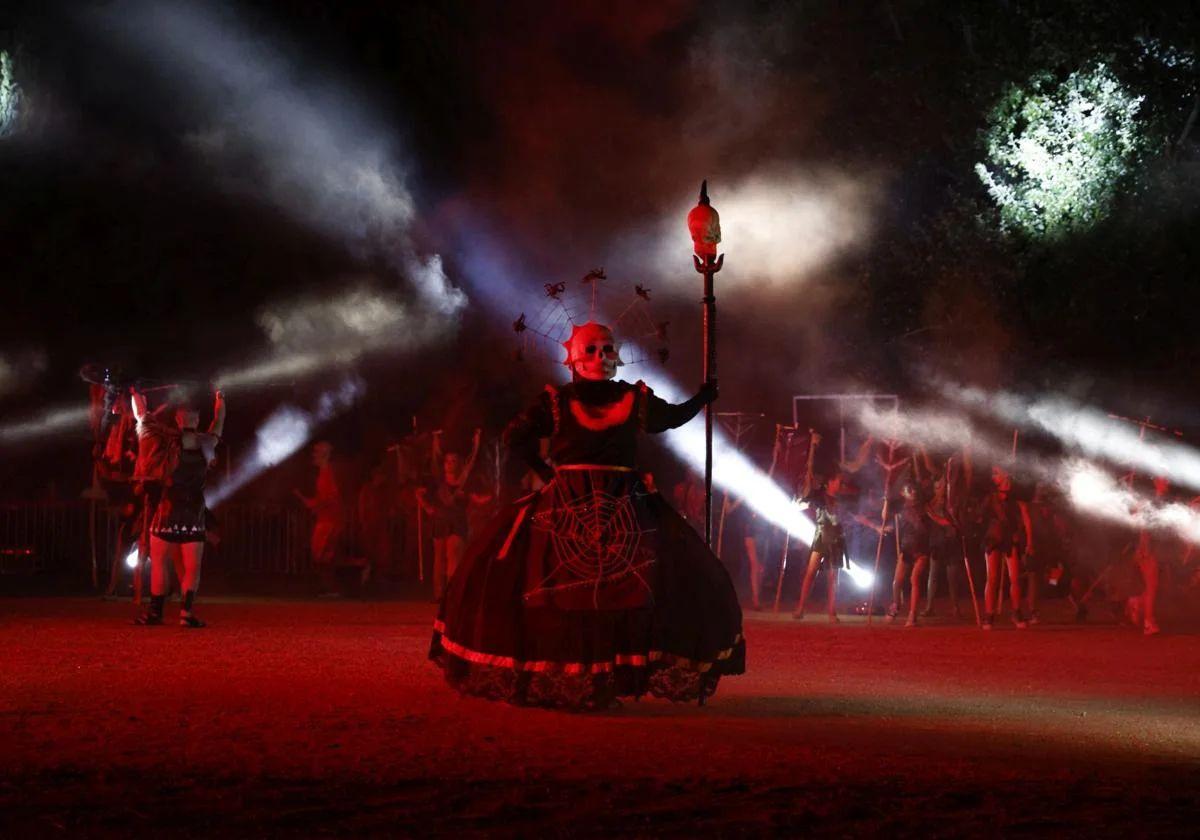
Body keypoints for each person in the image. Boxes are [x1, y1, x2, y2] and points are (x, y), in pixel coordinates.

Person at [429, 321, 743, 709]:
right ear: (574, 358)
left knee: (638, 587)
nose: (601, 357)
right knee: (557, 590)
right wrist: (547, 474)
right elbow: (514, 437)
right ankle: (579, 678)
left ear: (617, 355)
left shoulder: (633, 398)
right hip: (572, 503)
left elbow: (671, 418)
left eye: (608, 348)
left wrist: (700, 399)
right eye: (591, 349)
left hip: (621, 504)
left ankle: (605, 677)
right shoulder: (556, 401)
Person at [133, 388, 225, 627]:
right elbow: (219, 421)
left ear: (178, 419)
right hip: (190, 512)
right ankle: (184, 613)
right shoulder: (205, 443)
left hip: (169, 510)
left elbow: (142, 417)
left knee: (163, 563)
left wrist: (136, 393)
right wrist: (220, 397)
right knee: (189, 566)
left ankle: (158, 613)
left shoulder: (167, 441)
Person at [418, 429, 490, 602]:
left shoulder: (463, 483)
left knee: (454, 557)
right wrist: (427, 507)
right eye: (447, 461)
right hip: (440, 523)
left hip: (457, 524)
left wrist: (477, 442)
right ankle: (439, 594)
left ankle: (452, 593)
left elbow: (471, 464)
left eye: (453, 461)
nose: (449, 464)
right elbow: (419, 493)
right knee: (439, 560)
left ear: (459, 464)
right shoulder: (439, 482)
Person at [980, 465, 1034, 630]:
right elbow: (980, 518)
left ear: (1006, 474)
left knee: (1015, 577)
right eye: (993, 473)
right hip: (993, 538)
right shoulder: (991, 496)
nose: (993, 477)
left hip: (1011, 539)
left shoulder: (1017, 496)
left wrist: (1029, 542)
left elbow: (1026, 519)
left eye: (996, 473)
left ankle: (1016, 612)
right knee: (992, 577)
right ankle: (989, 614)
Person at [792, 471, 848, 622]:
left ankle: (832, 612)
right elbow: (804, 504)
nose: (840, 484)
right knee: (811, 573)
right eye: (838, 481)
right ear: (830, 482)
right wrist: (798, 503)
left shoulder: (841, 500)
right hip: (821, 538)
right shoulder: (819, 496)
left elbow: (847, 517)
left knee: (833, 578)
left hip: (836, 540)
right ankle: (801, 608)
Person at [295, 441, 345, 595]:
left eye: (316, 452)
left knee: (321, 556)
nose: (313, 455)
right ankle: (329, 588)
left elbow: (331, 497)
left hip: (329, 521)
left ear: (325, 455)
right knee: (323, 556)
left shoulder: (327, 474)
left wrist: (315, 505)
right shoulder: (324, 474)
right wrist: (312, 503)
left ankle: (331, 587)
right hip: (328, 520)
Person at [890, 481, 930, 627]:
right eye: (909, 490)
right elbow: (885, 515)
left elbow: (924, 527)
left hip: (921, 548)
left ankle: (912, 614)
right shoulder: (901, 509)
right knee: (897, 581)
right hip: (906, 548)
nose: (912, 492)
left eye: (913, 490)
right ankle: (895, 605)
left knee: (914, 579)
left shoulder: (923, 509)